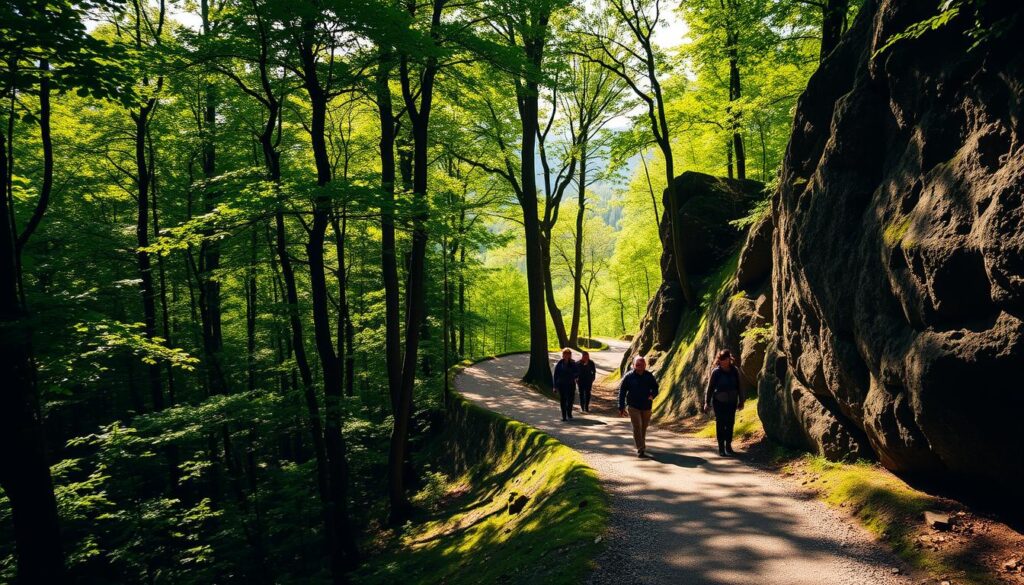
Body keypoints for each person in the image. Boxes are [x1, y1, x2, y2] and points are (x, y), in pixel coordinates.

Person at [703, 349, 743, 456]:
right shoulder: (716, 372)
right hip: (719, 402)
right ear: (719, 360)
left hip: (732, 402)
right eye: (722, 359)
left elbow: (739, 387)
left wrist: (741, 401)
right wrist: (707, 402)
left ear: (730, 359)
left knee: (730, 424)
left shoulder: (735, 371)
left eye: (726, 359)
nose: (725, 361)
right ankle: (721, 448)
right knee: (720, 424)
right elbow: (710, 388)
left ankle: (728, 446)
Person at [617, 356, 659, 457]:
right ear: (633, 365)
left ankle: (642, 445)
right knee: (637, 426)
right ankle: (640, 448)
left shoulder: (649, 376)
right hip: (633, 406)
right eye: (638, 364)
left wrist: (652, 395)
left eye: (642, 364)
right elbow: (622, 391)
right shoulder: (628, 377)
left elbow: (655, 388)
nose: (640, 366)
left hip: (646, 406)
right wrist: (621, 406)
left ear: (645, 365)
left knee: (643, 427)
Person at [553, 348, 579, 421]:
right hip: (562, 384)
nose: (566, 356)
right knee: (563, 400)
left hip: (571, 384)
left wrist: (574, 376)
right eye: (564, 354)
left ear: (570, 355)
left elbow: (577, 372)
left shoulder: (573, 363)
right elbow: (556, 375)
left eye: (567, 354)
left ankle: (569, 412)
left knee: (570, 400)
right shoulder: (559, 364)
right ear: (563, 355)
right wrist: (555, 386)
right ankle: (564, 416)